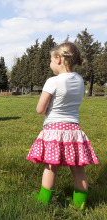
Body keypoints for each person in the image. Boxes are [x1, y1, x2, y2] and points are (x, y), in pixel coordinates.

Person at [26, 42, 99, 210]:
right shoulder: (79, 80)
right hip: (74, 131)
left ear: (58, 59)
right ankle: (80, 205)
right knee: (79, 169)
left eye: (51, 60)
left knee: (51, 167)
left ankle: (44, 201)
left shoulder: (53, 81)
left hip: (54, 131)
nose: (50, 65)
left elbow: (40, 109)